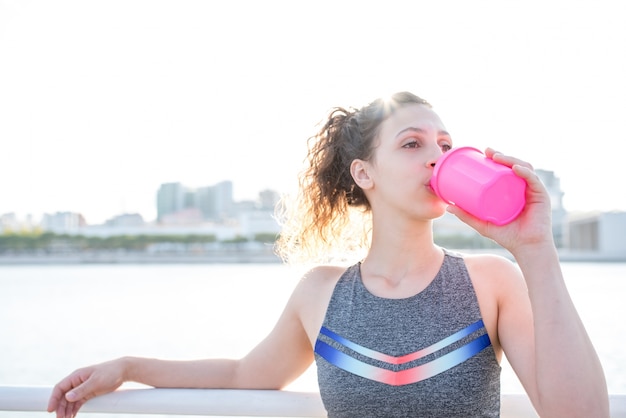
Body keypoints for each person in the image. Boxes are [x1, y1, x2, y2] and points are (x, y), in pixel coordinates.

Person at [47, 92, 609, 418]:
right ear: (364, 173)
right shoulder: (321, 292)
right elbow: (245, 373)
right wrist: (127, 368)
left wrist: (535, 250)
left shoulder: (491, 282)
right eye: (412, 144)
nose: (438, 158)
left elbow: (580, 414)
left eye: (444, 144)